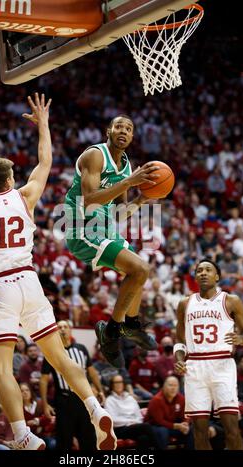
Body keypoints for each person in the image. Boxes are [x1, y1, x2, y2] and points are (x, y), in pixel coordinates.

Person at [0, 93, 116, 451]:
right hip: (30, 281)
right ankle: (94, 408)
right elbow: (46, 160)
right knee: (59, 357)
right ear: (11, 179)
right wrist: (43, 122)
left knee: (0, 369)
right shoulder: (25, 195)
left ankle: (23, 435)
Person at [64, 115, 158, 368]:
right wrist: (129, 182)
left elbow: (118, 213)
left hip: (105, 228)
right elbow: (92, 200)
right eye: (119, 126)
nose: (123, 131)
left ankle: (130, 323)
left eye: (129, 128)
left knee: (139, 271)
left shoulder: (126, 166)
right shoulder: (95, 155)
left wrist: (139, 200)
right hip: (81, 227)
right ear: (109, 130)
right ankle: (112, 332)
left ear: (132, 136)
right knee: (140, 268)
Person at [174, 258, 243, 450]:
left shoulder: (231, 301)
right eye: (199, 270)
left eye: (208, 270)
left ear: (217, 276)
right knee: (199, 431)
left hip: (222, 365)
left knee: (231, 428)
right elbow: (180, 341)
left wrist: (241, 340)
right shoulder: (185, 303)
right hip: (195, 368)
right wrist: (179, 360)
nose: (203, 273)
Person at [40, 320, 105, 451]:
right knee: (64, 440)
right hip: (64, 400)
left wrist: (101, 390)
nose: (62, 329)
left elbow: (92, 372)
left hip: (84, 399)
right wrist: (45, 403)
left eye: (65, 327)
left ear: (70, 330)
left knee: (88, 438)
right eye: (59, 327)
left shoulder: (81, 349)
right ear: (55, 332)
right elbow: (44, 380)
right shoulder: (51, 352)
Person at [104, 374, 157, 449]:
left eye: (121, 382)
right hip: (120, 429)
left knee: (144, 438)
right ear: (112, 385)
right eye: (116, 382)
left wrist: (135, 422)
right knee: (146, 426)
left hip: (135, 427)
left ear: (123, 384)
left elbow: (139, 416)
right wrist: (130, 422)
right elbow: (113, 420)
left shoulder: (130, 398)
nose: (119, 384)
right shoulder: (109, 400)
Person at [145, 376, 194, 450]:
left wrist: (185, 423)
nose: (173, 388)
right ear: (164, 386)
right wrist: (177, 426)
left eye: (175, 385)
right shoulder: (156, 400)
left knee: (191, 430)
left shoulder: (181, 398)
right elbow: (159, 421)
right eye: (170, 385)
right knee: (163, 431)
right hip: (154, 426)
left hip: (172, 426)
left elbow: (186, 415)